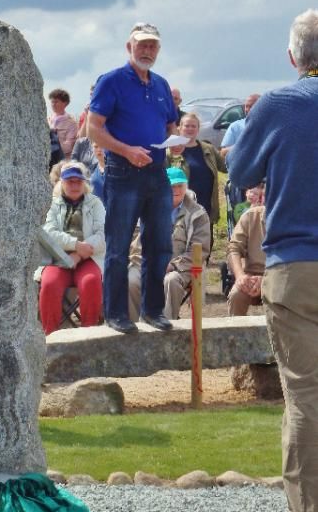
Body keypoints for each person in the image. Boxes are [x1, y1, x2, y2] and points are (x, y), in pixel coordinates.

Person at [228, 8, 318, 512]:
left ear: (293, 57)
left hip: (297, 264)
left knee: (306, 397)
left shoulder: (280, 104)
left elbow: (240, 171)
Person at [88, 22, 177, 333]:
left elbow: (169, 124)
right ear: (129, 47)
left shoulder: (162, 85)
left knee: (160, 244)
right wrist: (126, 150)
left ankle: (153, 311)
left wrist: (172, 139)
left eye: (152, 46)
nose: (147, 51)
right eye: (142, 45)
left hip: (156, 171)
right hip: (123, 171)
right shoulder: (111, 81)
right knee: (119, 245)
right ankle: (116, 314)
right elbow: (93, 128)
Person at [128, 168, 210, 321]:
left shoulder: (198, 214)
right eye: (172, 186)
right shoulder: (148, 208)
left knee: (170, 281)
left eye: (180, 185)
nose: (176, 190)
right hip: (148, 263)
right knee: (131, 279)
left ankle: (164, 329)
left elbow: (200, 249)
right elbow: (136, 242)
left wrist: (172, 265)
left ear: (186, 187)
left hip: (181, 268)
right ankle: (135, 331)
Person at [38, 162, 105, 335]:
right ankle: (50, 336)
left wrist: (78, 255)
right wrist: (75, 245)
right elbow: (49, 233)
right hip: (58, 257)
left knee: (90, 281)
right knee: (49, 283)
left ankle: (88, 335)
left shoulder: (96, 204)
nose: (75, 185)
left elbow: (103, 235)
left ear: (85, 183)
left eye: (78, 181)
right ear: (62, 183)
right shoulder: (51, 205)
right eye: (70, 182)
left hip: (88, 257)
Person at [168, 113, 226, 244]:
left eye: (193, 126)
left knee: (203, 246)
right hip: (180, 210)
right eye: (186, 126)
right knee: (181, 246)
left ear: (198, 129)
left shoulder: (209, 149)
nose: (190, 129)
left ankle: (202, 264)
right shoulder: (170, 152)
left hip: (205, 207)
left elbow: (226, 167)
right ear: (179, 128)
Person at [226, 204, 265, 316]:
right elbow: (233, 248)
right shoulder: (250, 216)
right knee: (237, 294)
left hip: (282, 276)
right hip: (251, 276)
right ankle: (235, 332)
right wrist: (240, 276)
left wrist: (266, 281)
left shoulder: (295, 220)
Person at [220, 93, 261, 160]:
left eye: (251, 106)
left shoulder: (271, 127)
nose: (247, 109)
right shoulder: (235, 126)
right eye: (246, 106)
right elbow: (223, 153)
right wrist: (242, 146)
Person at [48, 89, 78, 159]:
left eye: (56, 102)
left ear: (65, 103)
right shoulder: (48, 120)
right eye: (52, 102)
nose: (53, 104)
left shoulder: (71, 123)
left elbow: (69, 146)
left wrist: (52, 148)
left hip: (61, 160)